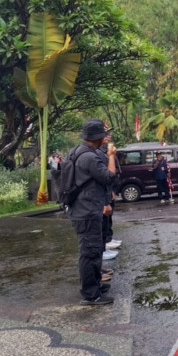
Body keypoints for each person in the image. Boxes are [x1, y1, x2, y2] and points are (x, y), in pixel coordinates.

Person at [66, 119, 118, 306]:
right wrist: (111, 155)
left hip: (81, 209)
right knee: (89, 253)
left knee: (93, 250)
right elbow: (109, 176)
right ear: (97, 138)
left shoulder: (76, 151)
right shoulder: (89, 157)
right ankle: (90, 294)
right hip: (87, 211)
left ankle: (95, 285)